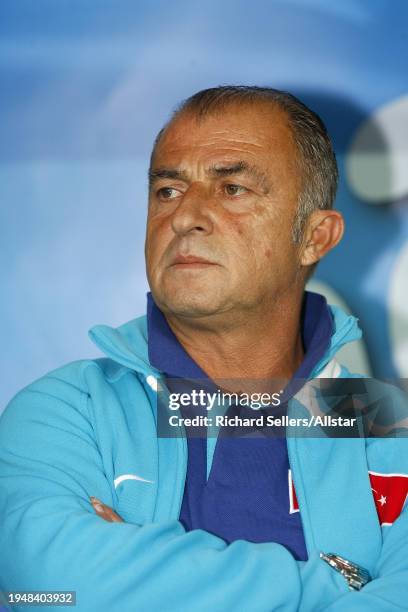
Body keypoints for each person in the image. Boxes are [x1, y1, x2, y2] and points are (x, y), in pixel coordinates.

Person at [0, 86, 407, 611]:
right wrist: (344, 584)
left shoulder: (389, 423)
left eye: (232, 187)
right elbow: (49, 587)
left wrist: (140, 582)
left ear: (315, 237)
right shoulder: (66, 409)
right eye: (167, 190)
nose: (185, 216)